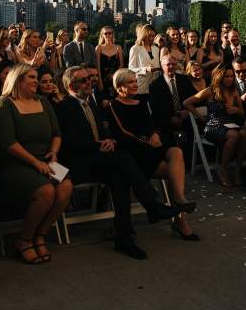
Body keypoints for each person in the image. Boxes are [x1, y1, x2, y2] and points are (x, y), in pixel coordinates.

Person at [55, 66, 180, 259]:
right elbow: (71, 141)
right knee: (122, 159)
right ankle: (152, 206)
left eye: (90, 79)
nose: (90, 82)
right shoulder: (64, 107)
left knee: (119, 176)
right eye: (85, 80)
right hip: (78, 164)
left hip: (100, 160)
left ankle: (124, 237)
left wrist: (110, 140)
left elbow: (105, 131)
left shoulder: (92, 104)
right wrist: (99, 144)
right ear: (72, 85)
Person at [0, 63, 73, 264]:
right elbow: (9, 143)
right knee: (46, 191)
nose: (37, 81)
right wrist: (36, 163)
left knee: (66, 187)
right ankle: (24, 240)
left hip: (45, 160)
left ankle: (40, 235)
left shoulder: (43, 102)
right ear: (18, 80)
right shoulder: (2, 105)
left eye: (37, 77)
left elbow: (57, 134)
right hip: (15, 164)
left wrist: (53, 152)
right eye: (32, 78)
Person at [108, 68, 198, 241]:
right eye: (130, 82)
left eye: (135, 81)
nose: (135, 85)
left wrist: (155, 133)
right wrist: (146, 140)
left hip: (153, 149)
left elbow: (153, 124)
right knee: (174, 172)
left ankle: (179, 203)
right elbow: (123, 133)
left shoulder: (141, 102)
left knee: (176, 152)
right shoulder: (114, 105)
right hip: (134, 153)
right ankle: (180, 218)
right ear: (119, 87)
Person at [184, 64, 246, 187]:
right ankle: (223, 169)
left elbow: (242, 113)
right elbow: (187, 103)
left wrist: (236, 110)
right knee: (234, 135)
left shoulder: (234, 91)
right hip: (213, 125)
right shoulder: (210, 91)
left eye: (231, 76)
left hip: (229, 124)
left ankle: (237, 169)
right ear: (219, 76)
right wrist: (200, 117)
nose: (230, 79)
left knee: (245, 134)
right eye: (226, 76)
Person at [148, 55, 196, 142]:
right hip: (166, 122)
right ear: (162, 66)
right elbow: (155, 107)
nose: (171, 67)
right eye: (168, 64)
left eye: (174, 64)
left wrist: (188, 111)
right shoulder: (154, 85)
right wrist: (170, 118)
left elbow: (194, 97)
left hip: (186, 119)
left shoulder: (184, 80)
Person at [128, 24, 161, 100]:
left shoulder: (156, 49)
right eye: (149, 36)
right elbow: (131, 68)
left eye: (153, 36)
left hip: (155, 85)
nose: (152, 38)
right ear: (143, 35)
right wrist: (145, 69)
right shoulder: (135, 49)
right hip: (141, 86)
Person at [95, 26, 123, 97]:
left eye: (110, 33)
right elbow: (97, 66)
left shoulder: (118, 47)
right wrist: (100, 82)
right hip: (103, 78)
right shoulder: (99, 48)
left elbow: (121, 64)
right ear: (102, 35)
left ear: (112, 34)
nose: (107, 35)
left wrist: (115, 75)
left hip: (115, 79)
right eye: (105, 33)